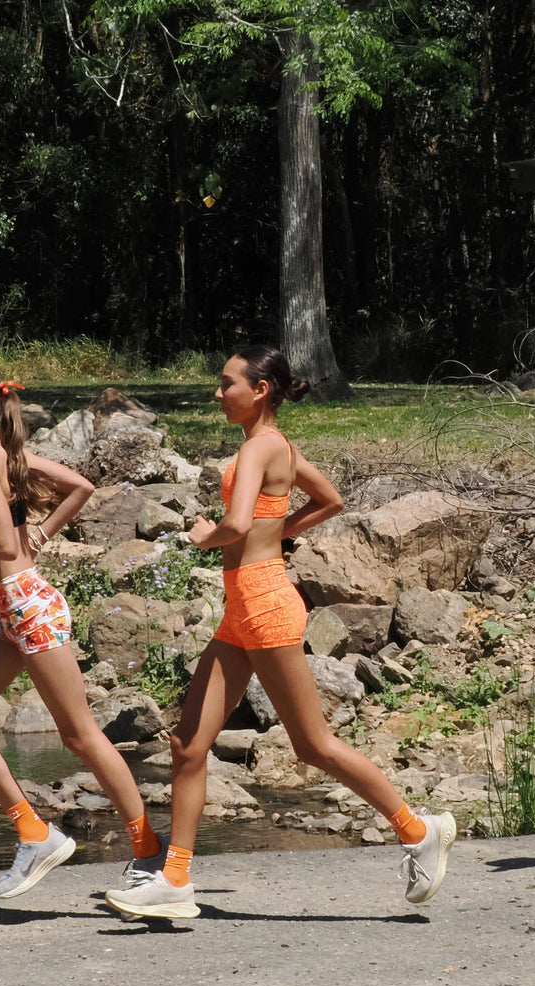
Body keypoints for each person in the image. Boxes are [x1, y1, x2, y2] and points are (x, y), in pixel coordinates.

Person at [105, 346, 456, 919]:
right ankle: (175, 880)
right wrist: (276, 532)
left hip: (265, 604)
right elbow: (330, 500)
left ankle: (420, 831)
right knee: (187, 744)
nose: (218, 393)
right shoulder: (278, 447)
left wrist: (206, 537)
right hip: (242, 609)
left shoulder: (259, 447)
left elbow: (236, 524)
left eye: (227, 384)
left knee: (312, 745)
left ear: (260, 389)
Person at [0, 365, 163, 899]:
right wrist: (41, 534)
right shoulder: (7, 455)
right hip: (14, 610)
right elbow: (81, 487)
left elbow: (4, 544)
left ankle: (149, 851)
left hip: (28, 607)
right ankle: (34, 833)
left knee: (80, 736)